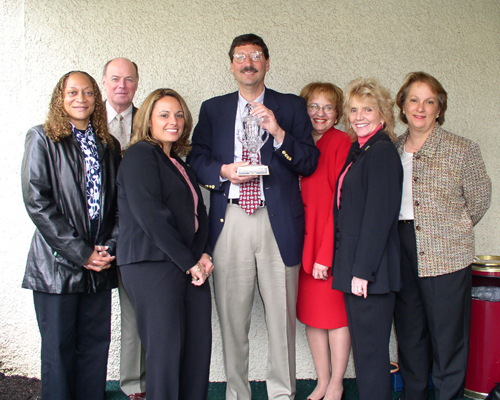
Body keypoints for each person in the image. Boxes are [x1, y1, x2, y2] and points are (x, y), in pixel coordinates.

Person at [187, 33, 319, 400]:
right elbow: (196, 159)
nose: (249, 62)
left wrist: (278, 132)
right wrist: (223, 171)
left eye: (256, 55)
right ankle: (237, 393)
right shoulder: (213, 109)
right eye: (241, 56)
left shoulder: (291, 106)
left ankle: (282, 393)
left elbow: (309, 161)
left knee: (281, 316)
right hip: (230, 220)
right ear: (231, 65)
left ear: (267, 63)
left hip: (278, 222)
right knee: (232, 317)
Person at [21, 71, 120, 400]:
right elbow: (37, 202)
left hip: (99, 266)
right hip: (57, 267)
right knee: (59, 352)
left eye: (88, 92)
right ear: (59, 99)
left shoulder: (108, 145)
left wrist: (107, 249)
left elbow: (119, 205)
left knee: (94, 349)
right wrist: (81, 253)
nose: (81, 99)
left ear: (96, 99)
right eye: (72, 92)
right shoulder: (41, 138)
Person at [393, 72, 491, 400]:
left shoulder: (461, 149)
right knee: (410, 335)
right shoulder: (391, 149)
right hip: (400, 250)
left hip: (446, 253)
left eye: (429, 101)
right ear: (403, 106)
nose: (420, 108)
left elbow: (479, 199)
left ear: (439, 108)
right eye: (413, 100)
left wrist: (453, 231)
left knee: (448, 340)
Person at [117, 88, 213, 400]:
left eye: (179, 115)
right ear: (148, 120)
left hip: (187, 263)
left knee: (197, 347)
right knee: (166, 352)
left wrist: (203, 254)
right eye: (164, 114)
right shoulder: (140, 155)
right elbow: (151, 216)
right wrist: (189, 261)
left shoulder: (180, 164)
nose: (173, 121)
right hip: (152, 265)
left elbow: (198, 214)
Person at [332, 77, 403, 400]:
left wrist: (362, 271)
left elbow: (378, 218)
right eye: (354, 110)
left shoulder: (382, 152)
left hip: (371, 274)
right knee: (364, 355)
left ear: (383, 115)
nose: (359, 116)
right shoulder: (361, 149)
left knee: (371, 358)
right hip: (358, 270)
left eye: (368, 109)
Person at [297, 82, 351, 400]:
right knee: (312, 317)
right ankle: (322, 380)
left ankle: (337, 383)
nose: (320, 113)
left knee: (335, 318)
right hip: (302, 249)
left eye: (328, 107)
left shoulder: (341, 143)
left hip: (328, 248)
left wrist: (325, 255)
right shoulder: (299, 143)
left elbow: (339, 205)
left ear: (337, 113)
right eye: (313, 106)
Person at [102, 57, 145, 400]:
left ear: (137, 83)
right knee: (92, 315)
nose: (122, 85)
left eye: (128, 79)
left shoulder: (148, 120)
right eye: (115, 78)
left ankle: (135, 384)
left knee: (134, 312)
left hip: (136, 230)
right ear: (104, 82)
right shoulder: (85, 120)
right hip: (95, 236)